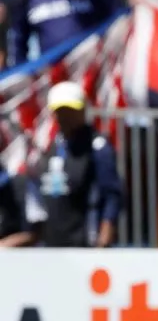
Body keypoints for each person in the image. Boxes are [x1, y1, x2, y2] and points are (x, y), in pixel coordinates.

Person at [31, 81, 122, 248]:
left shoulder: (97, 146)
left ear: (82, 111)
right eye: (61, 111)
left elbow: (112, 194)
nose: (65, 117)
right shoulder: (51, 146)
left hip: (85, 241)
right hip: (52, 243)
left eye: (70, 111)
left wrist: (105, 231)